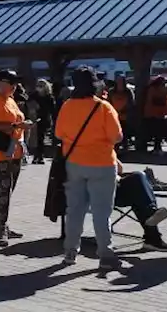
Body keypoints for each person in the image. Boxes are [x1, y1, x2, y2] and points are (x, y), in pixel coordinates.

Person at [55, 67, 123, 267]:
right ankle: (105, 254)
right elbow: (116, 137)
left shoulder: (67, 106)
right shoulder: (103, 107)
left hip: (75, 163)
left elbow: (59, 133)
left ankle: (70, 251)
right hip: (102, 164)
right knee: (102, 212)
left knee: (75, 210)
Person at [0, 69, 30, 247]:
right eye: (12, 83)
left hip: (15, 151)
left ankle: (4, 225)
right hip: (1, 152)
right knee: (4, 190)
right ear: (2, 83)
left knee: (8, 191)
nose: (15, 87)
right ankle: (0, 228)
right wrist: (16, 125)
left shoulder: (10, 100)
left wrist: (23, 126)